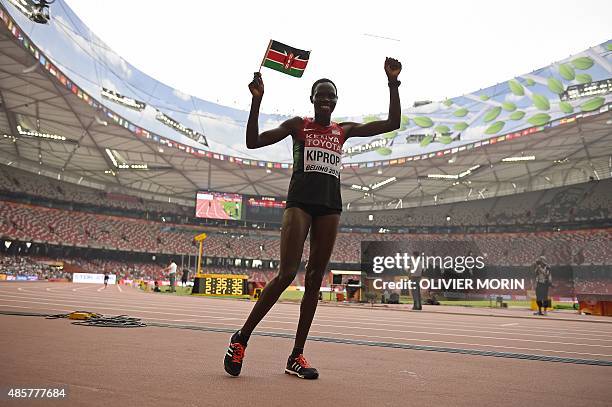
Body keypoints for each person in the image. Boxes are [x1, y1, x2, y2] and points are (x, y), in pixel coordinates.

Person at [223, 57, 402, 380]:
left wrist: (392, 82)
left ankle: (296, 356)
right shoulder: (297, 126)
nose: (325, 100)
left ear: (335, 102)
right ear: (312, 99)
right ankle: (241, 338)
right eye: (320, 95)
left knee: (315, 279)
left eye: (330, 96)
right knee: (287, 272)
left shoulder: (342, 130)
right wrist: (256, 101)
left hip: (330, 206)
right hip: (300, 204)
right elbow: (253, 141)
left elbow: (392, 123)